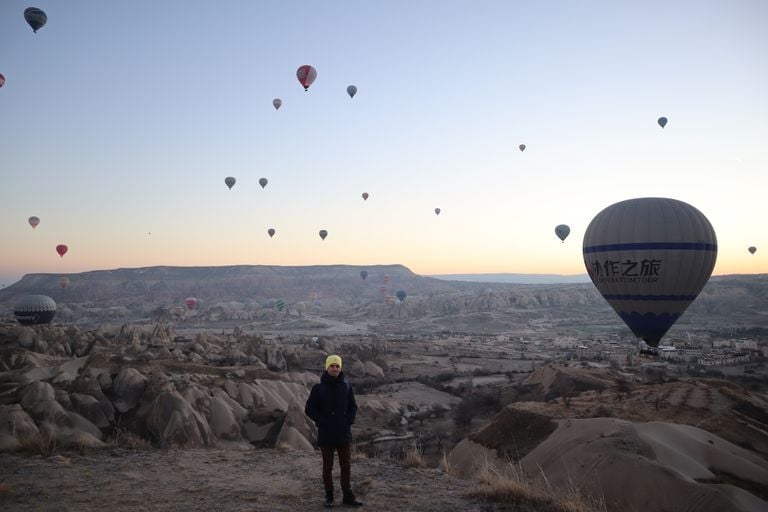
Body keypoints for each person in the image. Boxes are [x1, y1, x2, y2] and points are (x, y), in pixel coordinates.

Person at [305, 355, 363, 508]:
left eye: (337, 366)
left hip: (343, 433)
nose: (335, 369)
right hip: (326, 433)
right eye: (332, 366)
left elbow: (353, 407)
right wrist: (322, 421)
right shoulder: (318, 388)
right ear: (327, 368)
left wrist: (348, 421)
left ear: (340, 368)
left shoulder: (347, 386)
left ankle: (347, 496)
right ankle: (329, 496)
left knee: (346, 465)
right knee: (327, 467)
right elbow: (309, 409)